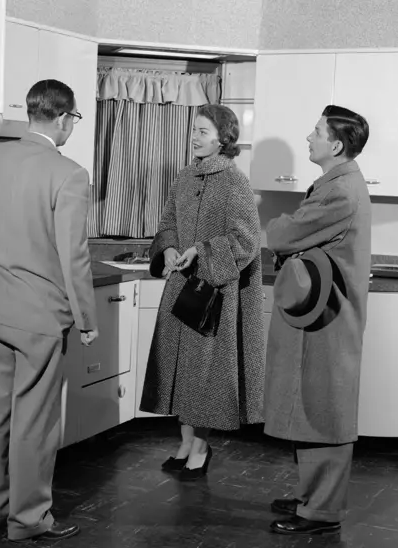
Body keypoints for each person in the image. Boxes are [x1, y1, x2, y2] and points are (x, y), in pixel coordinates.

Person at [0, 81, 99, 542]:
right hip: (40, 320)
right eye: (74, 119)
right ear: (61, 118)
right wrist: (87, 319)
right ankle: (29, 519)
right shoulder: (70, 174)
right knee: (34, 424)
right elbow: (73, 256)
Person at [139, 104, 265, 480]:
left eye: (204, 132)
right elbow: (168, 224)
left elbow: (247, 240)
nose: (195, 137)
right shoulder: (184, 175)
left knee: (203, 377)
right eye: (194, 130)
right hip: (181, 287)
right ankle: (184, 442)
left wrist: (203, 251)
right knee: (179, 373)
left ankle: (200, 447)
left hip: (214, 295)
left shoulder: (235, 182)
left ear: (224, 139)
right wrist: (170, 248)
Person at [264, 105, 371, 536]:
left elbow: (282, 234)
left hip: (329, 320)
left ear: (336, 144)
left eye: (316, 131)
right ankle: (312, 497)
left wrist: (279, 227)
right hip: (324, 316)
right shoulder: (339, 183)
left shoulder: (340, 191)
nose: (308, 137)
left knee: (325, 408)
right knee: (311, 404)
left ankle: (321, 511)